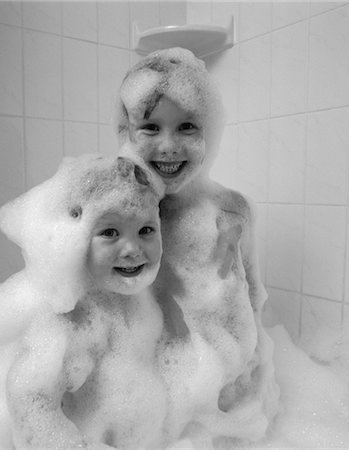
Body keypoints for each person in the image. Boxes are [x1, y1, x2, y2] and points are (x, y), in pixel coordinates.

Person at [0, 155, 168, 449]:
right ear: (75, 240)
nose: (132, 249)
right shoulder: (64, 316)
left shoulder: (135, 302)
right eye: (109, 233)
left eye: (146, 230)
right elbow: (30, 401)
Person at [116, 47, 279, 446]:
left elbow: (252, 302)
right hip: (141, 404)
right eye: (150, 127)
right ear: (126, 133)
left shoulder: (232, 210)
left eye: (187, 126)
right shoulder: (122, 210)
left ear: (210, 130)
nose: (169, 147)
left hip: (224, 406)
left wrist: (250, 391)